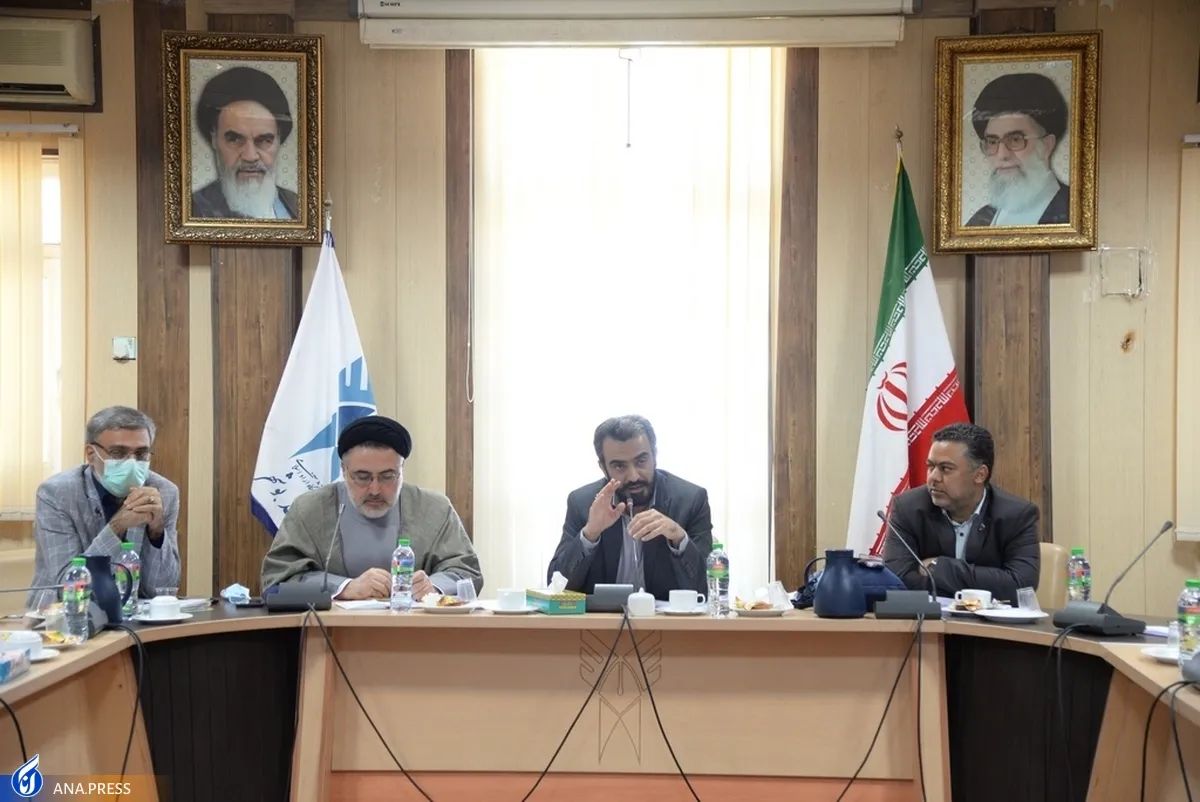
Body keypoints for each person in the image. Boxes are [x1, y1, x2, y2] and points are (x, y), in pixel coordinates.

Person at [260, 415, 482, 600]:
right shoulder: (309, 509)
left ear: (402, 470)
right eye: (362, 477)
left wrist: (434, 587)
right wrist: (344, 588)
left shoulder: (435, 509)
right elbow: (276, 580)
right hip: (330, 632)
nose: (375, 489)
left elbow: (467, 572)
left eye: (387, 476)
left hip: (417, 632)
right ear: (344, 470)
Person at [28, 406, 181, 611]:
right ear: (91, 454)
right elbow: (69, 587)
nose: (131, 463)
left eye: (141, 454)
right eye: (118, 453)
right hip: (62, 617)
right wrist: (117, 526)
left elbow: (162, 590)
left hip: (135, 616)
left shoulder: (164, 492)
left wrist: (156, 532)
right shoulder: (56, 493)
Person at [547, 415, 713, 601]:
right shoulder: (582, 503)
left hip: (664, 619)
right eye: (619, 466)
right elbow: (556, 587)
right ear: (603, 467)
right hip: (601, 619)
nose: (633, 476)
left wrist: (678, 537)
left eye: (641, 461)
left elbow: (707, 589)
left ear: (655, 456)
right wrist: (590, 533)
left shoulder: (690, 500)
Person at [883, 422, 1040, 602]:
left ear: (980, 475)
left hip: (990, 620)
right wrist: (985, 584)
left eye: (945, 469)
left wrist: (938, 567)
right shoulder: (908, 507)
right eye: (930, 466)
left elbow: (1021, 586)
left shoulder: (1017, 515)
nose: (933, 477)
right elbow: (897, 581)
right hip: (929, 619)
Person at [191, 65, 299, 220]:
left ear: (278, 140)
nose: (250, 156)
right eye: (235, 139)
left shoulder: (298, 207)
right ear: (214, 139)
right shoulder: (193, 210)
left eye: (264, 140)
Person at [965, 72, 1070, 227]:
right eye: (992, 142)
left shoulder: (1074, 212)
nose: (1002, 155)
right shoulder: (979, 221)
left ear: (1046, 145)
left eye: (1015, 139)